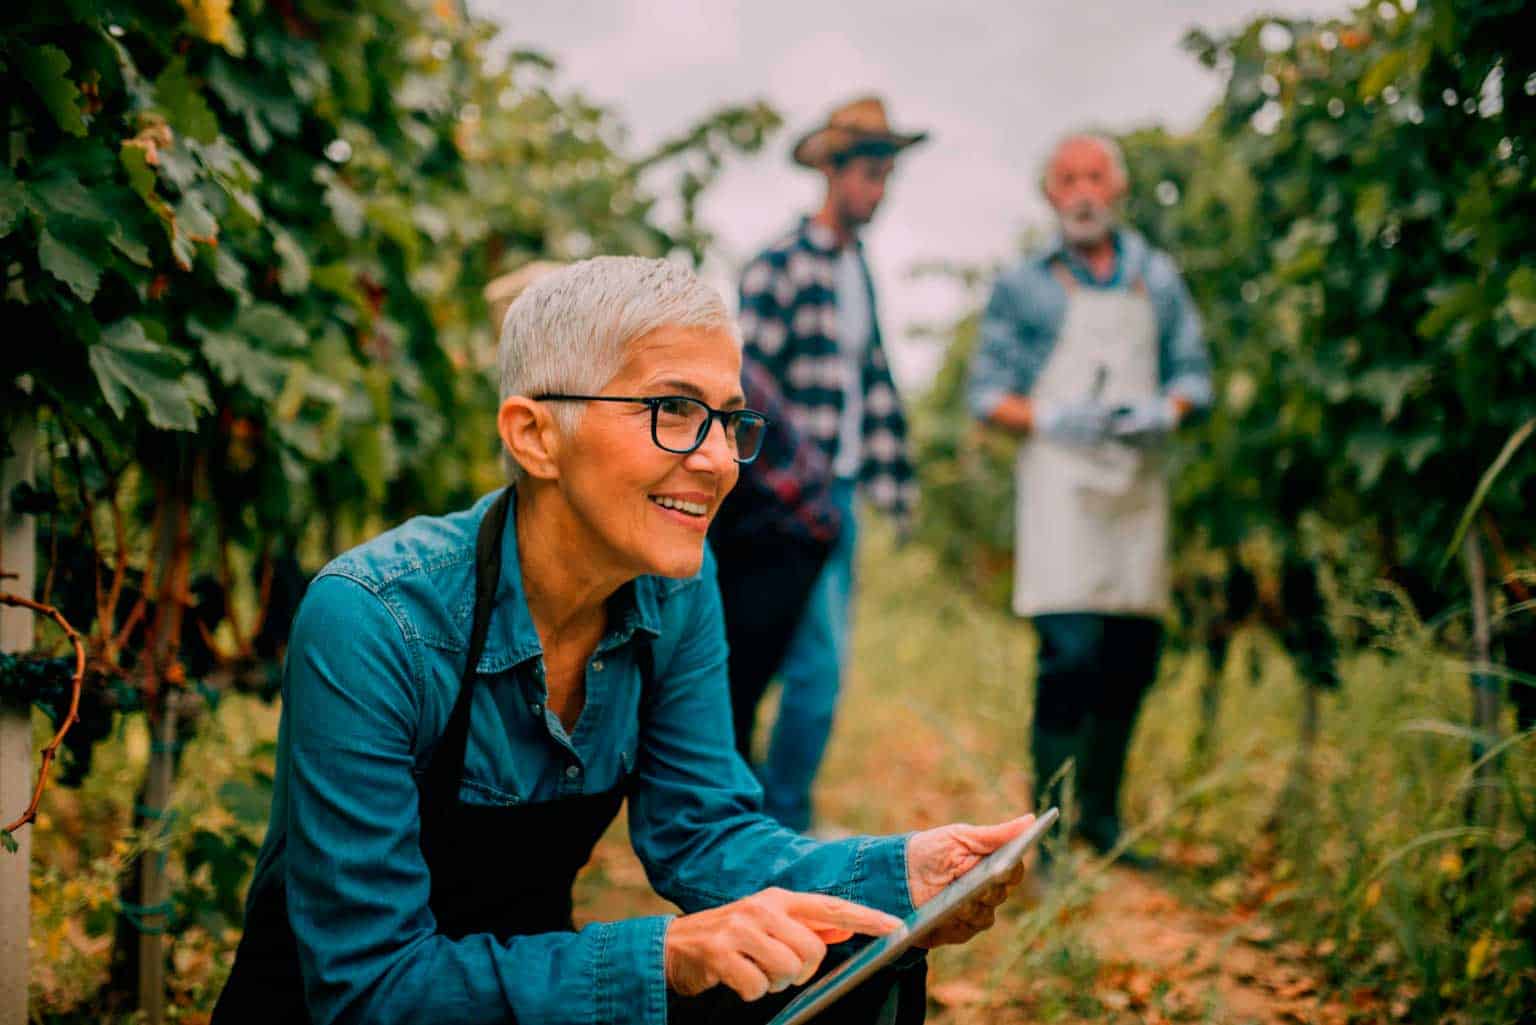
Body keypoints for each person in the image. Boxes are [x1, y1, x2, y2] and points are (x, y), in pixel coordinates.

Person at [214, 256, 1034, 1025]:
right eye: (674, 411)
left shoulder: (678, 588)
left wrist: (905, 874)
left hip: (523, 1002)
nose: (719, 460)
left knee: (847, 956)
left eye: (728, 419)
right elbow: (371, 989)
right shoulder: (374, 619)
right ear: (535, 435)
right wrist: (665, 956)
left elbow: (702, 832)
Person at [967, 134, 1213, 860]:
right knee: (1069, 653)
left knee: (1131, 653)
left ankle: (1100, 821)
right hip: (1063, 487)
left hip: (1136, 489)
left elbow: (1193, 374)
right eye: (1067, 178)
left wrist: (1166, 412)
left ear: (1118, 188)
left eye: (1095, 176)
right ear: (1050, 194)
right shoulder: (1024, 285)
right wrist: (1051, 417)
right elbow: (987, 395)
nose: (1082, 191)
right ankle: (1043, 830)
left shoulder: (1157, 279)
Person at [737, 96, 925, 832]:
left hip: (839, 494)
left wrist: (895, 484)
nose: (877, 192)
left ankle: (768, 812)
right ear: (834, 172)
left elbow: (870, 384)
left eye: (886, 178)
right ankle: (778, 820)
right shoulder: (778, 265)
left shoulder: (858, 272)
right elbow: (748, 384)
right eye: (869, 175)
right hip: (785, 501)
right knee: (807, 667)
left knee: (806, 664)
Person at [709, 358, 843, 764]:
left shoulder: (717, 372)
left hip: (789, 532)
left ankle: (735, 810)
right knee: (730, 686)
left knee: (733, 687)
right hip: (771, 526)